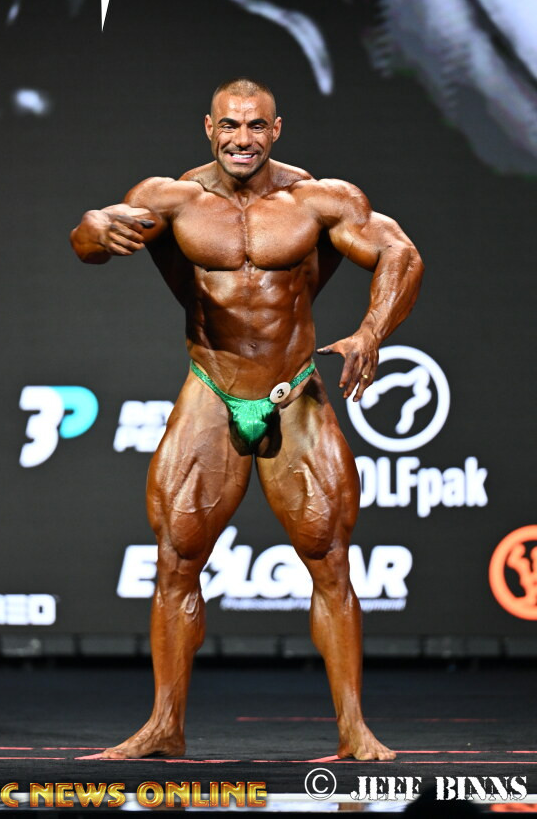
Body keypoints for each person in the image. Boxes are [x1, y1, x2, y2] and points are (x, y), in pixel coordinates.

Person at [70, 77, 424, 761]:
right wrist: (90, 226)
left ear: (276, 130)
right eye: (229, 125)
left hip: (295, 391)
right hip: (212, 386)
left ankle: (354, 730)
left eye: (256, 125)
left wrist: (372, 331)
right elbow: (92, 241)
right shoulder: (171, 200)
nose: (242, 138)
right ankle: (164, 726)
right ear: (209, 128)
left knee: (330, 560)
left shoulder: (318, 200)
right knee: (176, 560)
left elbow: (400, 253)